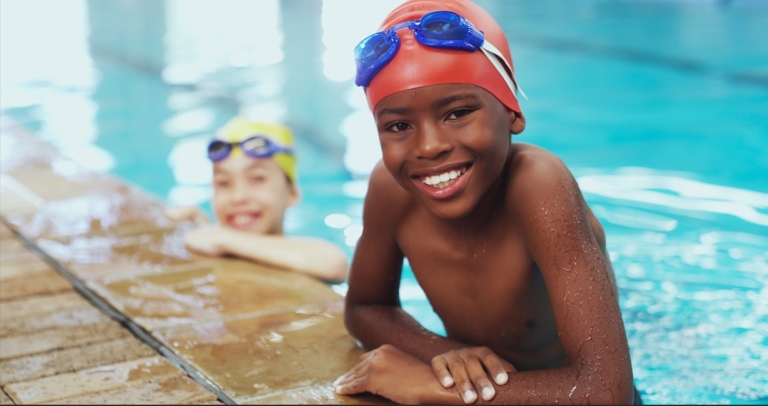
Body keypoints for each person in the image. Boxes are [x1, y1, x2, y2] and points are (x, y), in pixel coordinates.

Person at [333, 0, 641, 404]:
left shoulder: (537, 186)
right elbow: (366, 307)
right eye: (399, 126)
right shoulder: (391, 190)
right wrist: (443, 354)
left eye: (458, 112)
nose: (429, 147)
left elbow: (607, 391)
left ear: (511, 110)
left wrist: (428, 387)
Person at [165, 117, 348, 284]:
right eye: (223, 183)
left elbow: (334, 264)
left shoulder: (308, 257)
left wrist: (222, 238)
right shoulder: (216, 237)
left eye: (257, 179)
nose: (238, 197)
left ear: (292, 194)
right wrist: (198, 226)